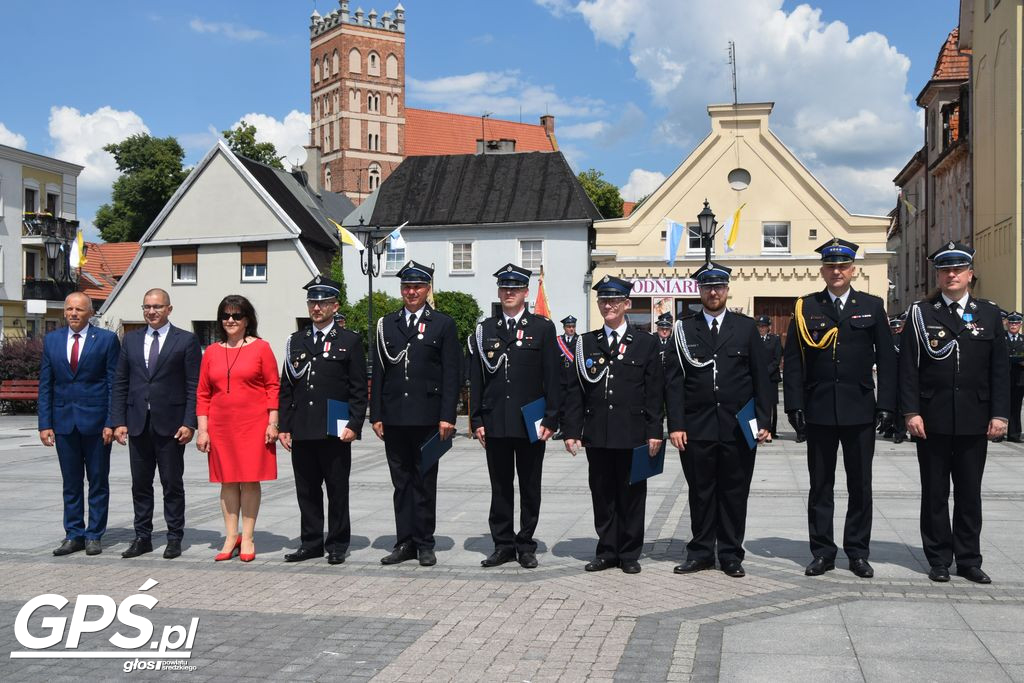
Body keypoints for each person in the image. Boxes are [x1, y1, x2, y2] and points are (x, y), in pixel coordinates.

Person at [783, 237, 897, 578]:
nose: (837, 271)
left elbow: (888, 361)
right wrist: (794, 405)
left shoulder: (872, 306)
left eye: (843, 266)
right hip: (818, 409)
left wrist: (886, 405)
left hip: (860, 408)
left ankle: (858, 552)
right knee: (821, 485)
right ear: (823, 270)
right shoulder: (806, 307)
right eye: (831, 266)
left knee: (860, 484)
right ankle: (822, 552)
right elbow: (793, 361)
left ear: (853, 270)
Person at [900, 243, 1008, 583]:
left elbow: (999, 370)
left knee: (969, 492)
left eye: (958, 269)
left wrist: (1001, 414)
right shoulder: (921, 312)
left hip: (975, 417)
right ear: (938, 275)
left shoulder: (989, 314)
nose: (951, 275)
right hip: (931, 418)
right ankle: (938, 558)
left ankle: (968, 559)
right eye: (945, 270)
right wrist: (911, 411)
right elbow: (908, 370)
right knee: (934, 492)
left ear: (970, 274)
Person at [666, 263, 772, 578]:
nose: (714, 292)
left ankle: (729, 554)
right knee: (700, 492)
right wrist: (675, 424)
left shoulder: (745, 327)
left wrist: (764, 420)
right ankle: (699, 552)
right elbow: (673, 381)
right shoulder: (684, 329)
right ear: (699, 291)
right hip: (696, 427)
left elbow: (761, 379)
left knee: (734, 492)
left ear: (727, 289)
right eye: (708, 287)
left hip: (738, 425)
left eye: (719, 287)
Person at [563, 275, 664, 574]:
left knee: (632, 494)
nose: (609, 305)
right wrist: (571, 431)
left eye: (615, 301)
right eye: (604, 300)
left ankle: (630, 552)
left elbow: (654, 391)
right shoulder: (585, 343)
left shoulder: (645, 343)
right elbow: (575, 390)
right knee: (603, 493)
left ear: (627, 304)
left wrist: (655, 430)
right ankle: (607, 550)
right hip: (598, 432)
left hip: (633, 432)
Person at [468, 264, 561, 569]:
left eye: (515, 289)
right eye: (505, 288)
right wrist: (477, 420)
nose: (509, 293)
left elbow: (553, 377)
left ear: (525, 293)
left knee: (530, 486)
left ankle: (526, 544)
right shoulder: (486, 329)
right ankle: (503, 544)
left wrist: (551, 418)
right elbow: (478, 379)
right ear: (499, 292)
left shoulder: (543, 328)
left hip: (530, 423)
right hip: (496, 421)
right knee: (500, 486)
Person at [371, 261, 460, 567]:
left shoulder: (443, 324)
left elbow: (452, 374)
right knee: (401, 484)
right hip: (394, 417)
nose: (411, 292)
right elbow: (379, 372)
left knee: (424, 481)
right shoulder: (387, 324)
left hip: (428, 417)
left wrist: (448, 415)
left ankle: (424, 542)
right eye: (407, 287)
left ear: (427, 289)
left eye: (418, 287)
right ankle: (404, 541)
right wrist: (376, 414)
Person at [279, 277, 367, 565]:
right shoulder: (296, 340)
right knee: (306, 490)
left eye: (323, 303)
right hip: (303, 425)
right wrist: (284, 426)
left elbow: (357, 388)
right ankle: (311, 542)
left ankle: (338, 543)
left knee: (337, 489)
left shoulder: (349, 340)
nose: (317, 308)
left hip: (335, 424)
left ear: (335, 306)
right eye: (313, 302)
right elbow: (287, 387)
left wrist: (354, 423)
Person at [110, 289, 201, 560]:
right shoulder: (131, 340)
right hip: (138, 423)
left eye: (157, 307)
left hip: (171, 425)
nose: (152, 311)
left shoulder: (185, 340)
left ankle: (174, 537)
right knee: (140, 484)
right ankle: (142, 537)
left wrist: (190, 422)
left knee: (171, 483)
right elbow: (121, 382)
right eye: (147, 307)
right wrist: (118, 421)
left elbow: (193, 385)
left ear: (169, 309)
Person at [195, 295, 280, 563]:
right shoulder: (211, 352)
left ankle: (249, 536)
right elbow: (203, 393)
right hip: (221, 426)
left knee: (250, 479)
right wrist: (203, 429)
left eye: (236, 316)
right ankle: (231, 536)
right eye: (226, 315)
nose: (230, 320)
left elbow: (273, 387)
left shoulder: (262, 348)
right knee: (228, 481)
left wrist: (273, 422)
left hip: (253, 424)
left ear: (247, 320)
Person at [38, 293, 119, 557]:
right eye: (69, 309)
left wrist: (111, 421)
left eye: (79, 310)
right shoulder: (52, 340)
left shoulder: (106, 340)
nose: (74, 314)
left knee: (97, 481)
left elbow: (112, 384)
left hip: (96, 424)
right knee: (71, 483)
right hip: (63, 423)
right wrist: (44, 423)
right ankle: (73, 534)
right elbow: (46, 384)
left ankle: (94, 534)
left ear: (90, 312)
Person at [755, 315, 783, 442]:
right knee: (758, 404)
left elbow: (777, 359)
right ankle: (759, 429)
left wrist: (765, 373)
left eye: (764, 326)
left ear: (768, 327)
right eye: (759, 326)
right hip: (756, 377)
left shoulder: (775, 339)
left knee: (771, 405)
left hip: (771, 377)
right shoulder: (754, 339)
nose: (761, 329)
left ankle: (771, 430)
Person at [553, 315, 578, 440]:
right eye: (569, 327)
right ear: (564, 328)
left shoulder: (580, 340)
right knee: (561, 405)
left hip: (574, 377)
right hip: (561, 377)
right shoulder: (558, 341)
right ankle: (562, 430)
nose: (571, 329)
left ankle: (573, 430)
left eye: (573, 326)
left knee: (574, 405)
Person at [1005, 312, 1024, 442]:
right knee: (1003, 406)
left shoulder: (1023, 339)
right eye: (1011, 322)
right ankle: (999, 433)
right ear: (1007, 323)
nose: (1013, 325)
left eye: (1016, 323)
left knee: (1016, 407)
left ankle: (1015, 434)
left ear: (1020, 325)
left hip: (1019, 378)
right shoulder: (1001, 339)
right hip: (1004, 377)